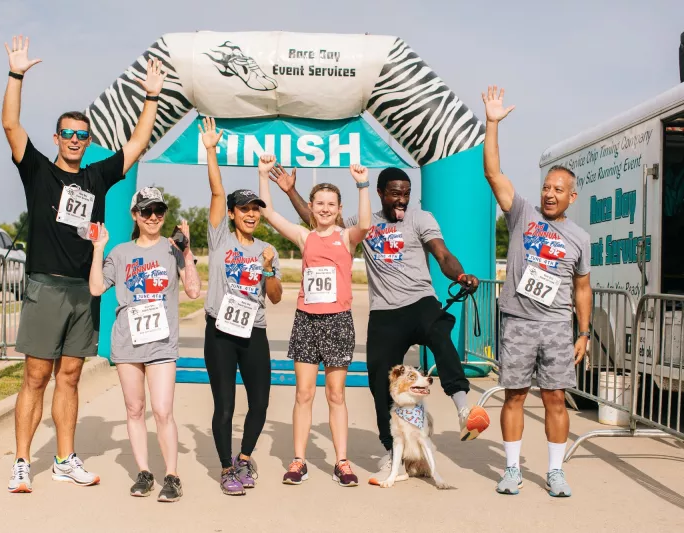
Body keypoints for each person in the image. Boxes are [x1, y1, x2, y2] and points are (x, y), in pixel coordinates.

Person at [1, 35, 166, 493]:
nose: (74, 140)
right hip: (45, 287)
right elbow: (11, 124)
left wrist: (151, 96)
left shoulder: (96, 176)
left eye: (81, 135)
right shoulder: (36, 169)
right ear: (56, 138)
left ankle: (64, 459)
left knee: (70, 376)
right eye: (67, 134)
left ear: (87, 141)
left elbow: (136, 143)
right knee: (36, 375)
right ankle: (20, 462)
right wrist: (16, 74)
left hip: (83, 290)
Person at [268, 165, 490, 487]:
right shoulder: (364, 222)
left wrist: (459, 274)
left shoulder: (420, 218)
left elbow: (442, 254)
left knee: (440, 333)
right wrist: (290, 191)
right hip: (385, 312)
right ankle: (391, 451)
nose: (401, 199)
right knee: (377, 378)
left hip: (419, 301)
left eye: (406, 194)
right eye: (395, 194)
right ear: (381, 194)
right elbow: (318, 221)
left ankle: (462, 409)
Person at [482, 85, 592, 497]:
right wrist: (492, 124)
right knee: (513, 396)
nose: (549, 193)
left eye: (558, 189)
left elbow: (583, 288)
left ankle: (555, 472)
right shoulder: (522, 213)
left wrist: (583, 332)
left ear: (571, 196)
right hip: (518, 322)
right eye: (546, 186)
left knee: (556, 400)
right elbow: (493, 173)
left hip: (557, 328)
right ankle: (511, 470)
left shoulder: (580, 238)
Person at [259, 155, 371, 487]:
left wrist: (363, 184)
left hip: (338, 321)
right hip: (307, 321)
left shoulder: (348, 237)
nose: (324, 208)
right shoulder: (304, 237)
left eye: (331, 204)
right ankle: (298, 460)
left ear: (338, 209)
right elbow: (268, 212)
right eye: (319, 203)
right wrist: (264, 176)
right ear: (310, 206)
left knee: (336, 394)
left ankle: (342, 461)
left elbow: (365, 223)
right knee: (303, 393)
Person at [88, 187, 200, 501]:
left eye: (159, 211)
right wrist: (99, 248)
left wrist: (187, 251)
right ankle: (144, 472)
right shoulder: (120, 252)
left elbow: (193, 290)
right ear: (135, 215)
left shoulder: (172, 249)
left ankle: (172, 476)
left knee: (163, 410)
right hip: (127, 343)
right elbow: (97, 288)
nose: (153, 217)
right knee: (135, 409)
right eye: (146, 211)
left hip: (162, 343)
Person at [199, 117, 283, 496]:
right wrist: (212, 150)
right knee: (225, 406)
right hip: (221, 331)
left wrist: (268, 270)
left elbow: (277, 296)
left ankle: (245, 457)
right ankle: (225, 468)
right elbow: (217, 193)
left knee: (261, 403)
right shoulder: (219, 240)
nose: (251, 213)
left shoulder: (268, 250)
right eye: (244, 208)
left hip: (255, 331)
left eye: (256, 209)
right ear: (232, 213)